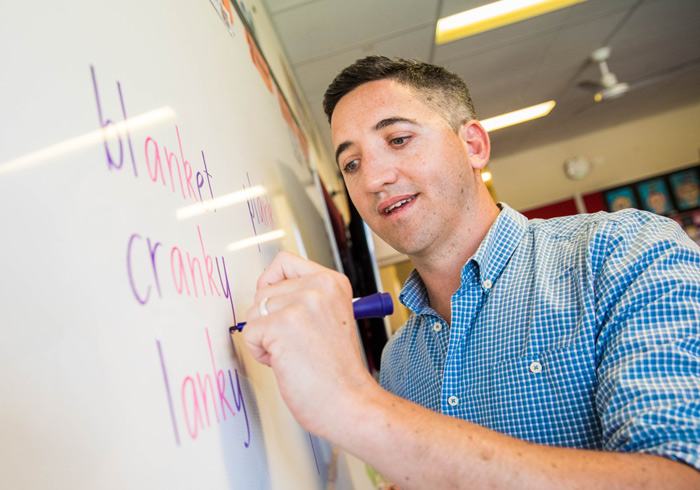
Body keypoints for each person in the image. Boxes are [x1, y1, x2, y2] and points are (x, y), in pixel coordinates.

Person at [241, 56, 700, 489]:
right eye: (351, 164)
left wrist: (356, 404)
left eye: (398, 139)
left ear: (473, 145)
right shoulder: (401, 360)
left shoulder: (622, 250)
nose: (372, 178)